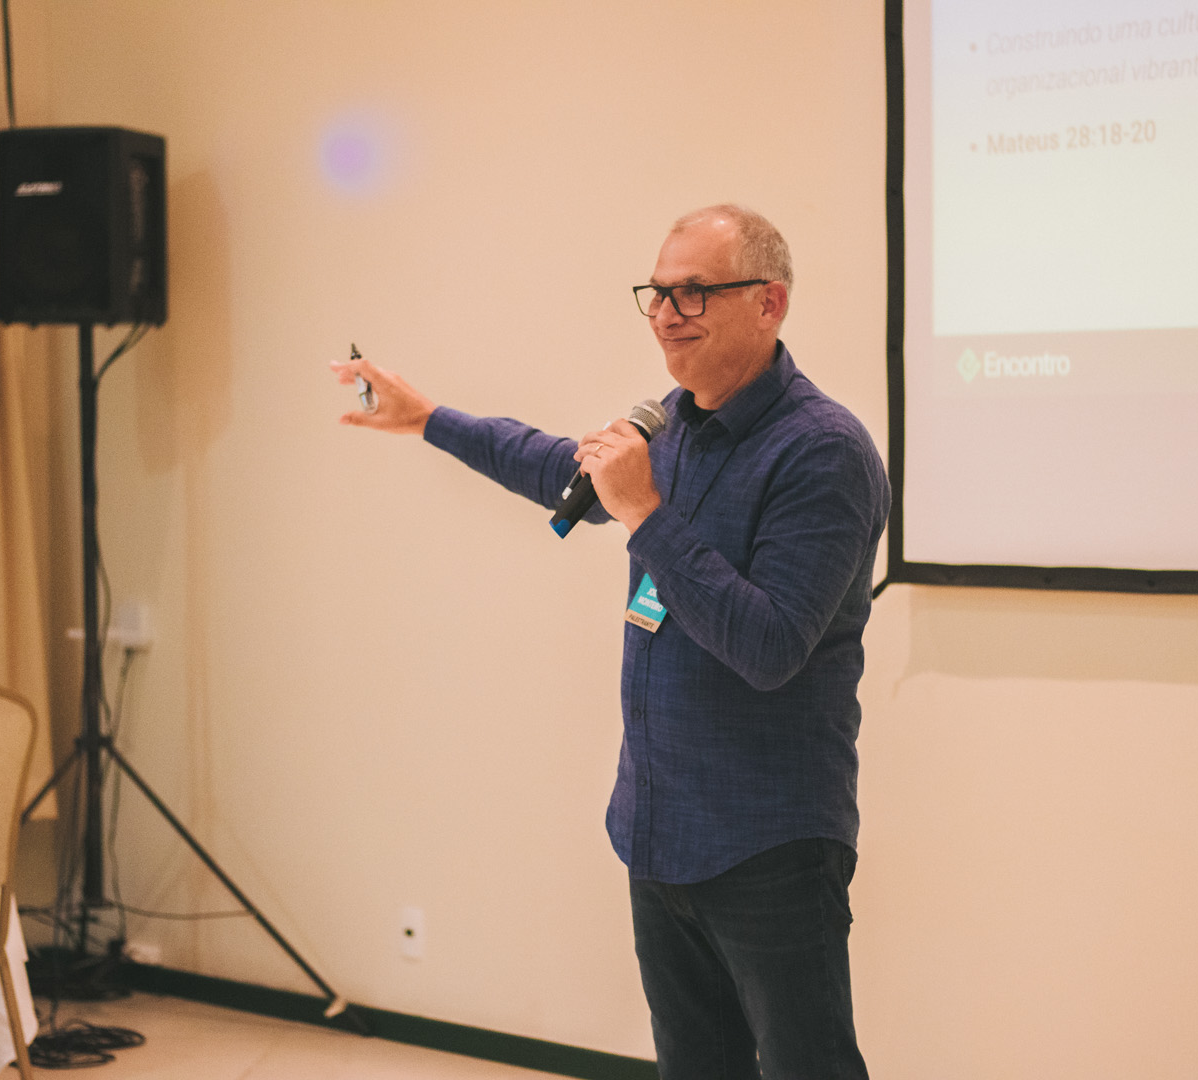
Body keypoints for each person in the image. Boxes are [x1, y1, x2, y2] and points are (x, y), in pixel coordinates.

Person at [331, 205, 889, 1079]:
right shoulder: (674, 424)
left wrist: (647, 514)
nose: (666, 314)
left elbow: (771, 646)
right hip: (660, 832)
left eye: (694, 292)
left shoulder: (822, 451)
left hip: (769, 846)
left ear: (769, 302)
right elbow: (560, 465)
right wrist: (427, 418)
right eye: (658, 293)